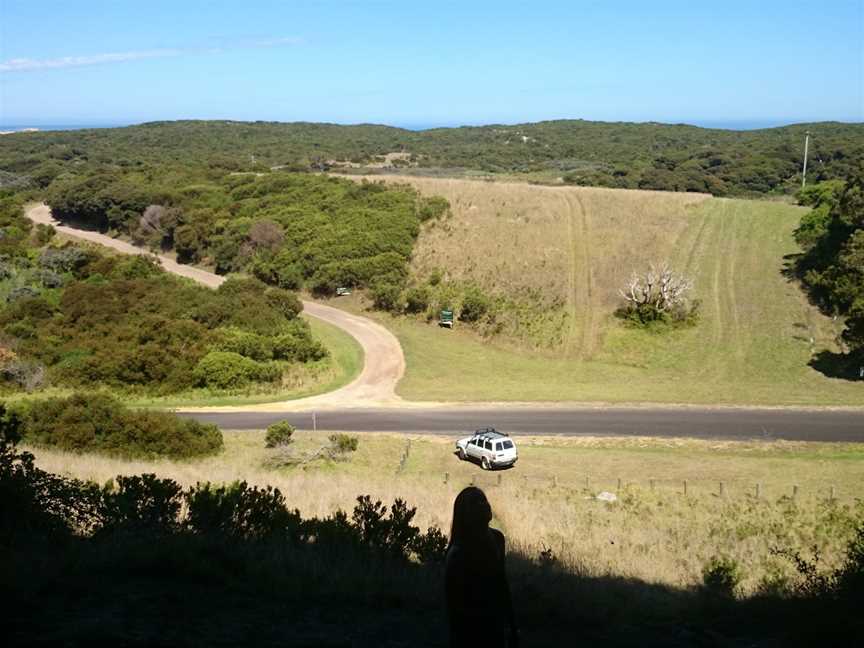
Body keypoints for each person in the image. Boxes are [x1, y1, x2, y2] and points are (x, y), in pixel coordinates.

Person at [445, 486, 518, 648]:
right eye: (475, 502)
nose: (484, 504)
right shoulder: (458, 554)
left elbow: (502, 583)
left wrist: (511, 627)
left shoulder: (498, 539)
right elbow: (456, 608)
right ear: (465, 514)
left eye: (484, 500)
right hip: (471, 630)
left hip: (495, 623)